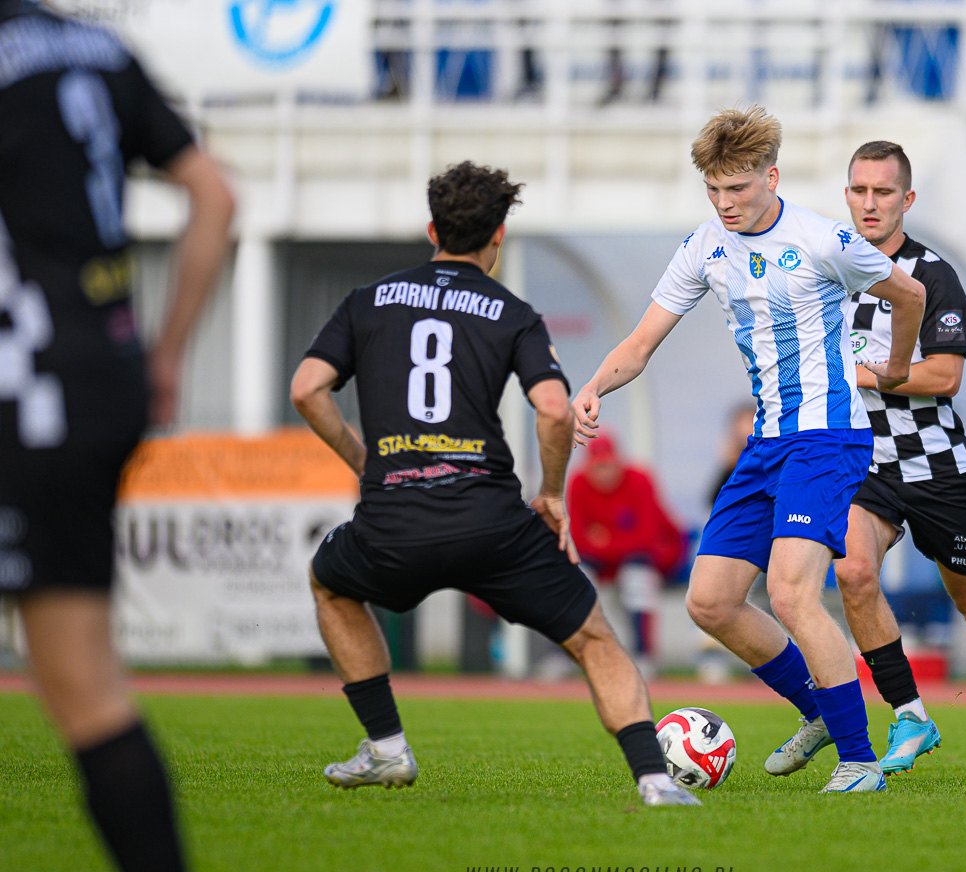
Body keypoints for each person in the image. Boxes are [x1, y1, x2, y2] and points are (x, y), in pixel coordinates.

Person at [290, 160, 698, 807]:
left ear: (432, 230)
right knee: (595, 638)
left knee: (330, 584)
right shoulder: (513, 313)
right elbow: (555, 410)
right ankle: (654, 780)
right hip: (491, 524)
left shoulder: (366, 302)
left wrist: (364, 462)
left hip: (395, 519)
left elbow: (307, 389)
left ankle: (387, 747)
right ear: (498, 237)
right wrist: (553, 492)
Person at [571, 105, 926, 793]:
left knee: (792, 593)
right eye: (713, 189)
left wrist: (896, 369)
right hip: (765, 444)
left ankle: (860, 762)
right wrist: (594, 386)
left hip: (828, 438)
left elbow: (908, 293)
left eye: (737, 188)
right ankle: (819, 712)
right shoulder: (705, 247)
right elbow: (640, 344)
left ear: (772, 177)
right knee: (710, 601)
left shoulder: (822, 240)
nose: (724, 202)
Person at [0, 2, 236, 872]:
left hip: (22, 388)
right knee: (87, 681)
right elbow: (214, 196)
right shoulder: (99, 47)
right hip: (96, 379)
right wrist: (167, 353)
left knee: (83, 685)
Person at [810, 140, 966, 776]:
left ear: (907, 199)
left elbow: (945, 376)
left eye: (883, 192)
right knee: (852, 573)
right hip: (865, 463)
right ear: (846, 195)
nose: (870, 203)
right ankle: (910, 715)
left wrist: (861, 373)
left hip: (938, 467)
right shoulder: (827, 269)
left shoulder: (932, 275)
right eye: (860, 190)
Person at [567, 432, 686, 674]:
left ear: (618, 461)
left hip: (658, 559)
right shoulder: (578, 482)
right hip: (608, 564)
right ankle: (567, 655)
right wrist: (618, 543)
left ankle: (644, 656)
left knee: (637, 577)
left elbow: (646, 540)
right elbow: (579, 541)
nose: (604, 472)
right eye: (598, 467)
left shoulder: (640, 479)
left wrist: (604, 539)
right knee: (573, 577)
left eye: (608, 465)